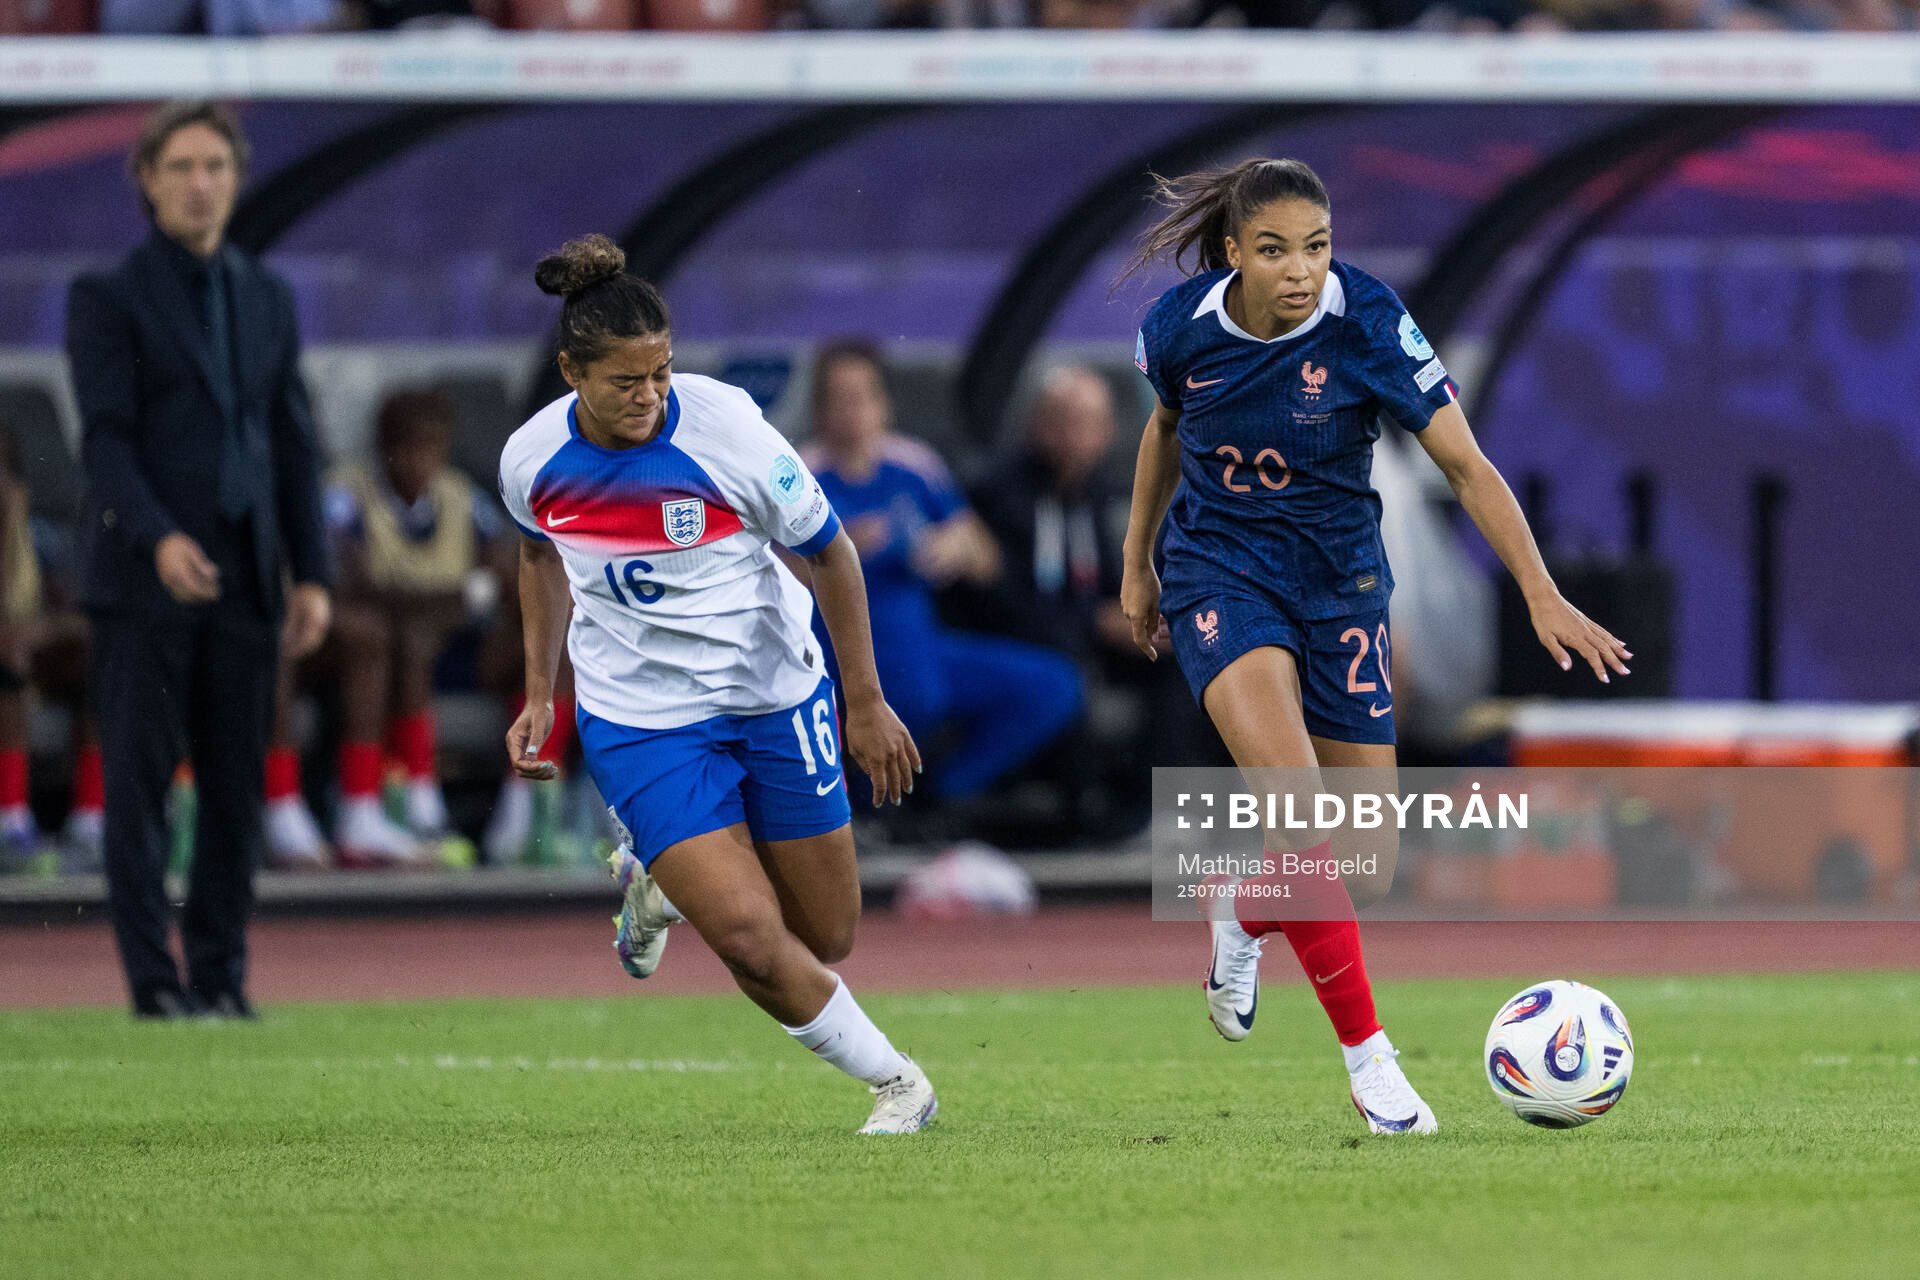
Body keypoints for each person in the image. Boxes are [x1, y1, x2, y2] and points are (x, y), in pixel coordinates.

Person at [1120, 158, 1628, 1134]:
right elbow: (1164, 431)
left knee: (1362, 859)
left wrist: (1539, 590)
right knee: (1302, 815)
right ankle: (1372, 1061)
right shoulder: (1179, 328)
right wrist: (1140, 566)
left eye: (1315, 246)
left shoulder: (1370, 324)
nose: (1300, 270)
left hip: (1343, 585)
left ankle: (1240, 900)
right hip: (1222, 575)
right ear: (1233, 252)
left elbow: (1467, 467)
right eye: (1273, 250)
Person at [498, 236, 936, 1134]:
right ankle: (901, 1083)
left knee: (826, 935)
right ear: (571, 371)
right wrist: (541, 691)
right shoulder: (530, 459)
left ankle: (661, 888)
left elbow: (831, 552)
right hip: (641, 721)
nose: (650, 395)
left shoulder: (728, 427)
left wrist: (864, 700)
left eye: (661, 372)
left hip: (774, 693)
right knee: (746, 935)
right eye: (626, 380)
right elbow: (537, 553)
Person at [66, 101, 332, 1020]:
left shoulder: (268, 296)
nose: (199, 182)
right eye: (179, 166)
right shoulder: (106, 295)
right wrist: (158, 537)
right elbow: (104, 442)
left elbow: (294, 444)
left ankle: (221, 975)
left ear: (237, 176)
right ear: (146, 180)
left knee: (236, 793)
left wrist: (314, 571)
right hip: (144, 576)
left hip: (248, 573)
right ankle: (153, 984)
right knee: (138, 791)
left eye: (215, 164)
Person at [804, 341, 1083, 808]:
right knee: (898, 690)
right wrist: (838, 548)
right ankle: (865, 807)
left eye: (865, 396)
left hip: (923, 652)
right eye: (841, 398)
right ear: (820, 409)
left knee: (1055, 685)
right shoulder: (799, 474)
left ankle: (943, 795)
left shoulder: (914, 466)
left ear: (884, 403)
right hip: (839, 663)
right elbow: (771, 579)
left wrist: (954, 546)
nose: (854, 411)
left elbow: (986, 558)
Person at [264, 389, 513, 869]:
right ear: (385, 448)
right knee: (387, 633)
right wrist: (450, 595)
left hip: (452, 646)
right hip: (346, 648)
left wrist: (449, 598)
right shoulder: (346, 495)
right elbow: (350, 585)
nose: (424, 461)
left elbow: (502, 569)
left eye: (434, 448)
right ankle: (399, 804)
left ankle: (518, 815)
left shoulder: (461, 496)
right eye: (412, 447)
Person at [0, 419, 100, 874]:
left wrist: (39, 631)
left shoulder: (38, 540)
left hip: (29, 663)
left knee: (102, 656)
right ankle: (10, 818)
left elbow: (79, 615)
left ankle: (93, 822)